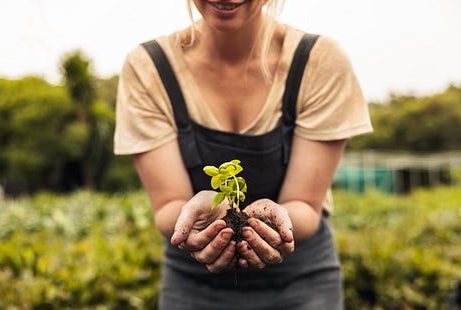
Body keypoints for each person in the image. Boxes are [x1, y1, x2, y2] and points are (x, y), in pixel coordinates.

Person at [114, 0, 372, 309]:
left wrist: (271, 220)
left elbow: (305, 205)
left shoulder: (320, 61)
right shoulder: (149, 68)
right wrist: (202, 213)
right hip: (192, 286)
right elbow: (169, 204)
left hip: (302, 284)